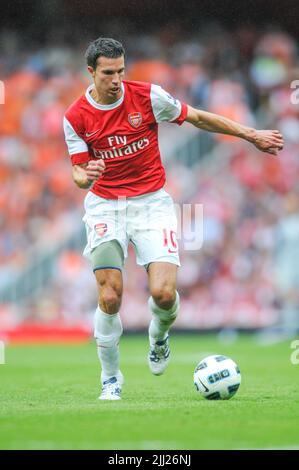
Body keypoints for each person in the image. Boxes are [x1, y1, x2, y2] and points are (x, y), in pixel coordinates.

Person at [63, 37, 284, 400]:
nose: (116, 79)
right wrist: (86, 176)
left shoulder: (149, 97)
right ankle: (111, 378)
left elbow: (196, 116)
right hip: (105, 205)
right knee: (110, 296)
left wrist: (250, 134)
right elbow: (76, 172)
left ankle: (159, 336)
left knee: (164, 295)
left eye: (121, 70)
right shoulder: (75, 116)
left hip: (152, 204)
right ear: (91, 72)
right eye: (108, 73)